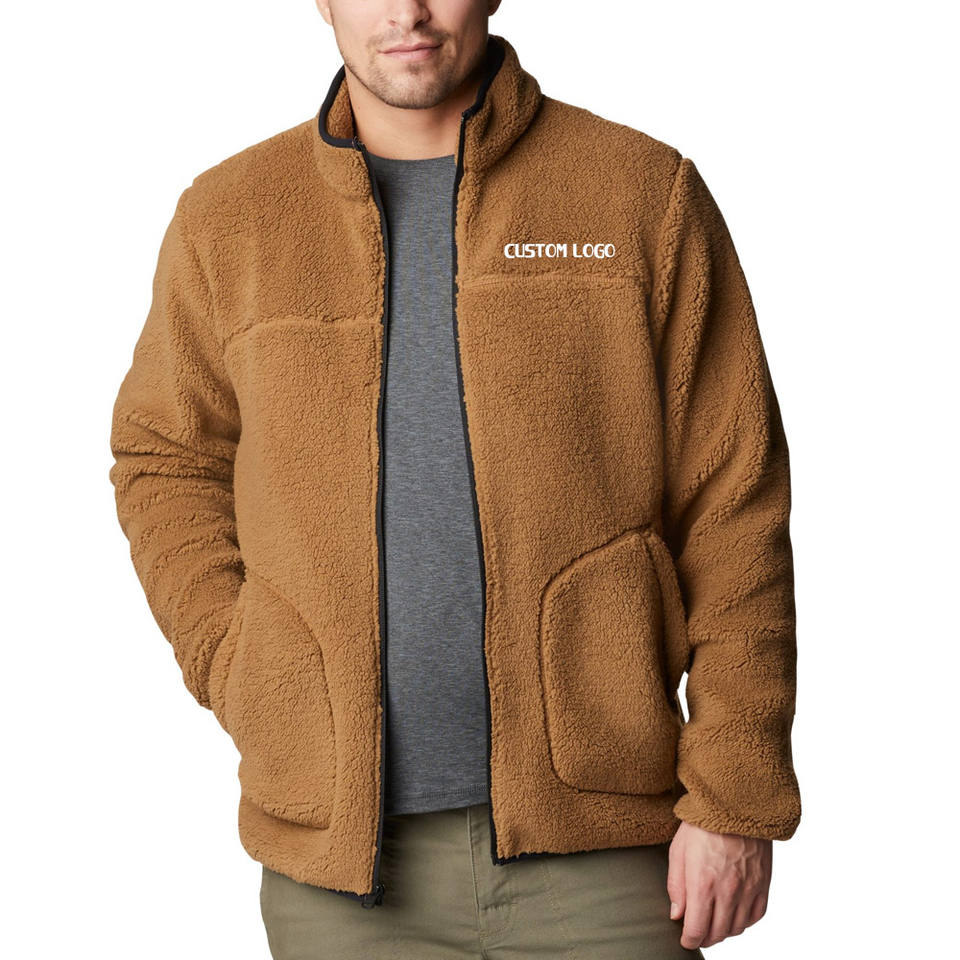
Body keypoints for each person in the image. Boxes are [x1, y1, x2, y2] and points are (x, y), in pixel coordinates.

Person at [108, 2, 801, 956]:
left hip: (608, 850)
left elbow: (734, 502)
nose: (407, 11)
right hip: (340, 874)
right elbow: (165, 459)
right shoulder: (231, 218)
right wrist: (242, 664)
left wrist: (735, 794)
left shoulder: (639, 193)